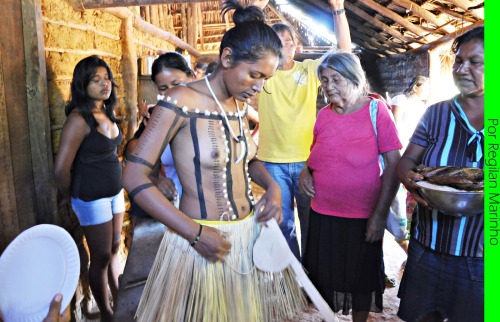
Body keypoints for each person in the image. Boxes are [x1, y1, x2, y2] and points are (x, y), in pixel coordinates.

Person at [122, 1, 306, 321]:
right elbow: (134, 175)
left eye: (266, 79)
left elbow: (247, 161)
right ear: (227, 58)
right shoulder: (180, 101)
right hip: (198, 243)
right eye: (254, 75)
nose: (259, 87)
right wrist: (194, 234)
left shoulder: (236, 105)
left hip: (243, 238)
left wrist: (273, 188)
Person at [298, 52, 402, 322]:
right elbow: (316, 153)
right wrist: (305, 172)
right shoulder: (324, 115)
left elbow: (394, 165)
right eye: (324, 80)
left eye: (336, 79)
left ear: (354, 79)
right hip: (323, 212)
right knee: (327, 275)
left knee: (361, 279)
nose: (328, 86)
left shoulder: (376, 111)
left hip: (362, 216)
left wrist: (379, 216)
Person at [396, 26, 484, 322]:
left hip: (482, 258)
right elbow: (406, 161)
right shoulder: (436, 114)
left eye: (476, 62)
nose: (462, 69)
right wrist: (412, 181)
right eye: (459, 61)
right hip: (427, 249)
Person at [257, 0, 351, 260]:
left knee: (313, 222)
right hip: (272, 162)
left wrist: (338, 9)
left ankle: (313, 274)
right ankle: (295, 276)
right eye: (276, 41)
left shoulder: (309, 70)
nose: (283, 45)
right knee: (283, 224)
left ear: (296, 46)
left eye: (287, 41)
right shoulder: (262, 73)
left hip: (308, 163)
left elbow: (344, 51)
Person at [54, 55, 124, 321]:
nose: (104, 84)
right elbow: (61, 170)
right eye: (96, 80)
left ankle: (119, 297)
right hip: (90, 198)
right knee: (101, 257)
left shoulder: (108, 111)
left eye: (106, 79)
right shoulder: (78, 120)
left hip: (115, 193)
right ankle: (106, 312)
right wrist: (71, 199)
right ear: (83, 85)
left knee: (115, 246)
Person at [128, 51, 196, 207]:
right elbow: (134, 154)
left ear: (192, 76)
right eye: (164, 88)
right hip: (178, 210)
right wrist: (157, 181)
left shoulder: (210, 114)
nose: (172, 92)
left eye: (176, 84)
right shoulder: (158, 118)